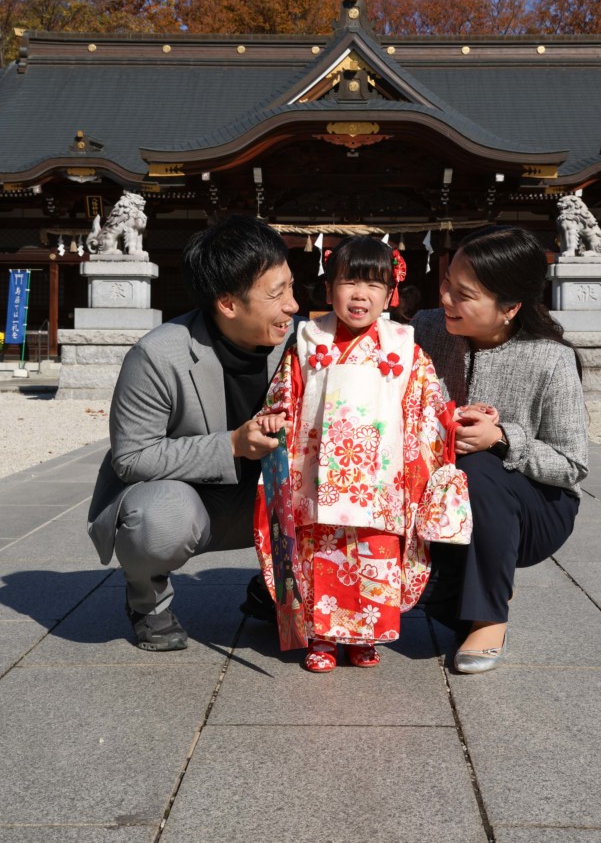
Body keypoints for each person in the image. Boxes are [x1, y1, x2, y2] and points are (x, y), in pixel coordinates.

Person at [254, 236, 471, 672]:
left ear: (391, 292)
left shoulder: (405, 345)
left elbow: (427, 401)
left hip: (381, 475)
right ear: (329, 287)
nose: (360, 294)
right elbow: (285, 396)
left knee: (375, 553)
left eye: (374, 284)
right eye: (349, 281)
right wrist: (276, 416)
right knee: (322, 554)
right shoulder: (307, 342)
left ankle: (364, 635)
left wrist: (453, 419)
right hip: (316, 472)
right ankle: (323, 637)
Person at [87, 215, 299, 651]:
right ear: (228, 304)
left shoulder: (303, 344)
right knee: (158, 519)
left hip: (275, 499)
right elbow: (131, 456)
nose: (293, 306)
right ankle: (149, 603)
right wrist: (233, 445)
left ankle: (277, 587)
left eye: (291, 287)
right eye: (277, 294)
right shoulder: (157, 355)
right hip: (195, 502)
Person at [412, 225, 588, 673]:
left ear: (509, 307)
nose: (447, 298)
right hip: (439, 499)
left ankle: (489, 616)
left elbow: (570, 465)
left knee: (479, 467)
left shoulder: (550, 359)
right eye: (447, 282)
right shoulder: (425, 330)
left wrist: (503, 437)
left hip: (534, 510)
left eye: (464, 294)